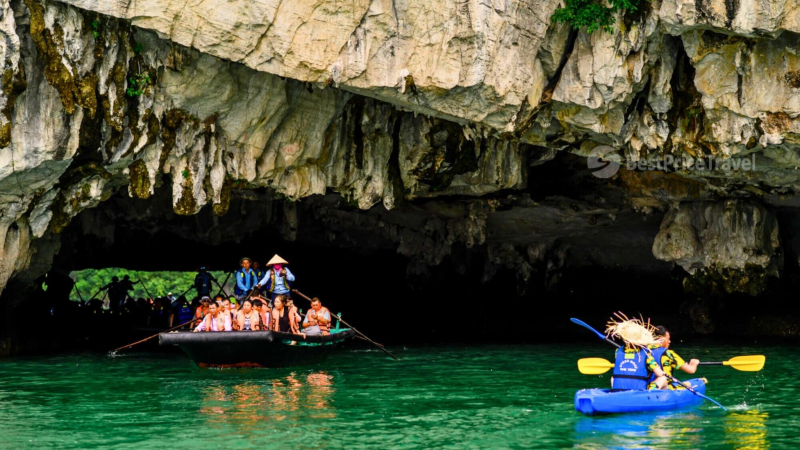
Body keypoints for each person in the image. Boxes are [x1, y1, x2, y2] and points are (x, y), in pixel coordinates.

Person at [605, 314, 665, 391]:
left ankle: (615, 390)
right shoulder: (646, 354)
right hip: (639, 391)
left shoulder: (618, 351)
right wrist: (663, 374)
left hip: (618, 390)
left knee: (613, 376)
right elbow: (659, 373)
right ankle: (661, 397)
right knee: (663, 378)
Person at [647, 326, 703, 390]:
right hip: (664, 387)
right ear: (661, 339)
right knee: (690, 384)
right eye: (667, 339)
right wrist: (694, 363)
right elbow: (691, 370)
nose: (669, 341)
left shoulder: (643, 351)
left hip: (646, 386)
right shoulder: (668, 353)